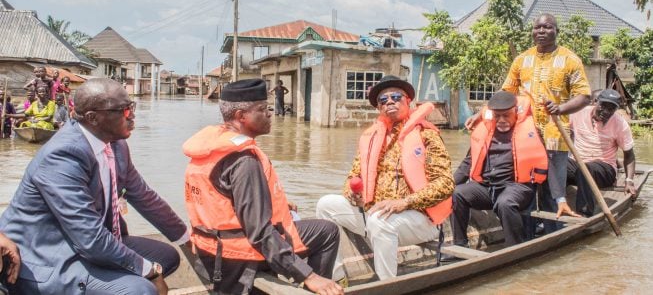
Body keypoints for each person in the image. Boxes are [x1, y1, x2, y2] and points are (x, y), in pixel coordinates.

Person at [0, 78, 189, 295]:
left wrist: (186, 237)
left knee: (166, 256)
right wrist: (150, 272)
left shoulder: (116, 145)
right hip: (48, 254)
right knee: (141, 289)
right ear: (93, 118)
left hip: (84, 242)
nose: (133, 115)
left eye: (132, 107)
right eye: (124, 110)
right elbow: (90, 237)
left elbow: (144, 196)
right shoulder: (62, 156)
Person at [183, 78, 343, 295]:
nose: (270, 114)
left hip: (212, 250)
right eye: (263, 109)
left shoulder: (208, 149)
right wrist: (309, 276)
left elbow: (224, 199)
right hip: (240, 255)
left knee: (320, 229)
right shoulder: (243, 161)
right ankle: (316, 289)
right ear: (241, 116)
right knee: (328, 233)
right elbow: (258, 232)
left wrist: (280, 204)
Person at [316, 75, 454, 281]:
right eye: (383, 100)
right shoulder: (371, 138)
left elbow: (445, 184)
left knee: (379, 220)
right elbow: (354, 175)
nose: (389, 102)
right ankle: (336, 279)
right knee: (325, 204)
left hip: (421, 219)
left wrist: (404, 202)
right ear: (379, 108)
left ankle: (386, 285)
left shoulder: (427, 135)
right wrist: (354, 195)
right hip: (376, 212)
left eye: (396, 97)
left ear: (408, 102)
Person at [466, 13, 590, 229]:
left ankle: (553, 233)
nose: (541, 31)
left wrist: (560, 108)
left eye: (547, 27)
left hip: (554, 133)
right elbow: (506, 92)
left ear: (556, 31)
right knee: (524, 185)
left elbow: (584, 95)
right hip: (524, 135)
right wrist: (482, 111)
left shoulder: (570, 60)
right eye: (537, 27)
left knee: (553, 189)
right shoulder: (522, 59)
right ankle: (526, 232)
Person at [452, 91, 548, 248]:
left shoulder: (531, 132)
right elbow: (468, 162)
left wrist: (557, 198)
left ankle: (514, 247)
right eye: (497, 116)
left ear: (515, 112)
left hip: (517, 187)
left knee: (505, 203)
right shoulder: (485, 132)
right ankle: (459, 244)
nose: (501, 120)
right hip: (487, 187)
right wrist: (448, 186)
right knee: (457, 194)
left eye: (506, 115)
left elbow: (543, 162)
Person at [567, 89, 637, 217]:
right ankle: (550, 210)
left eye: (611, 109)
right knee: (551, 164)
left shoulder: (620, 124)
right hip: (577, 163)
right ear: (595, 102)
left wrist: (629, 180)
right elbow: (562, 126)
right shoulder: (578, 113)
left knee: (586, 169)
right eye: (603, 106)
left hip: (604, 169)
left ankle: (584, 214)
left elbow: (629, 155)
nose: (605, 112)